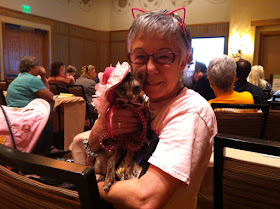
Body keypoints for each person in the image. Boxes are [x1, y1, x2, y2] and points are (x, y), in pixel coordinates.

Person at [70, 7, 217, 209]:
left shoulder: (190, 111)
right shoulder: (138, 100)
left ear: (184, 60)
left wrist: (88, 184)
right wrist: (97, 132)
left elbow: (146, 198)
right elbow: (91, 158)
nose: (149, 68)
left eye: (164, 56)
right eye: (140, 57)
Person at [6, 56, 55, 154]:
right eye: (38, 66)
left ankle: (49, 146)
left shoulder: (18, 79)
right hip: (25, 113)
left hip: (12, 113)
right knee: (49, 106)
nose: (40, 68)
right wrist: (44, 76)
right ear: (32, 68)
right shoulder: (32, 79)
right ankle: (47, 148)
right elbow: (49, 96)